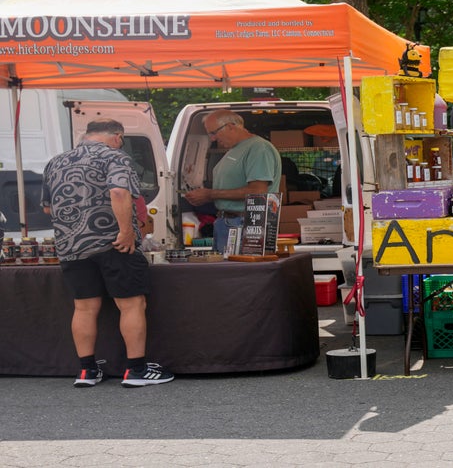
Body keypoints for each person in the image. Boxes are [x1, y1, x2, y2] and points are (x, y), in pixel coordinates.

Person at [41, 119, 174, 388]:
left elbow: (47, 209)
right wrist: (126, 231)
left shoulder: (55, 162)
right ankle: (136, 370)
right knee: (132, 304)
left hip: (70, 246)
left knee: (84, 307)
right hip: (113, 243)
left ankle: (87, 371)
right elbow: (118, 191)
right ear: (117, 136)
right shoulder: (115, 156)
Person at [183, 110, 281, 254]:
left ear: (230, 126)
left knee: (239, 274)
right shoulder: (235, 149)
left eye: (214, 133)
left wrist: (210, 195)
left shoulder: (258, 148)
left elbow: (258, 192)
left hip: (244, 225)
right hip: (228, 223)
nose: (213, 139)